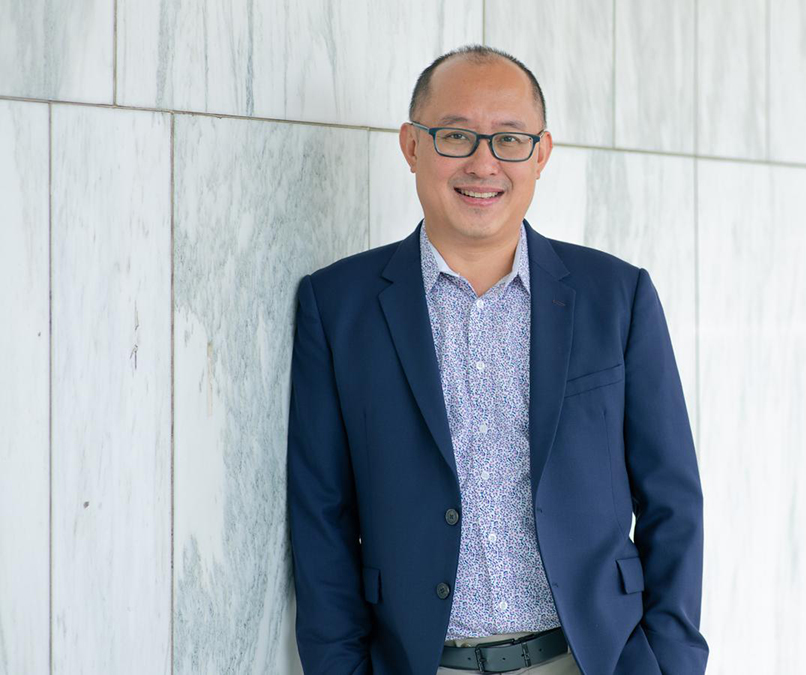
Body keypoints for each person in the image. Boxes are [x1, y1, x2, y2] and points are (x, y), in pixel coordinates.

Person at [286, 44, 707, 675]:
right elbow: (321, 514)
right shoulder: (338, 305)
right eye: (456, 135)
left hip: (591, 661)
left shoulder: (616, 297)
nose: (483, 163)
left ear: (541, 154)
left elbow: (673, 500)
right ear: (411, 146)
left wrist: (670, 663)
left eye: (510, 140)